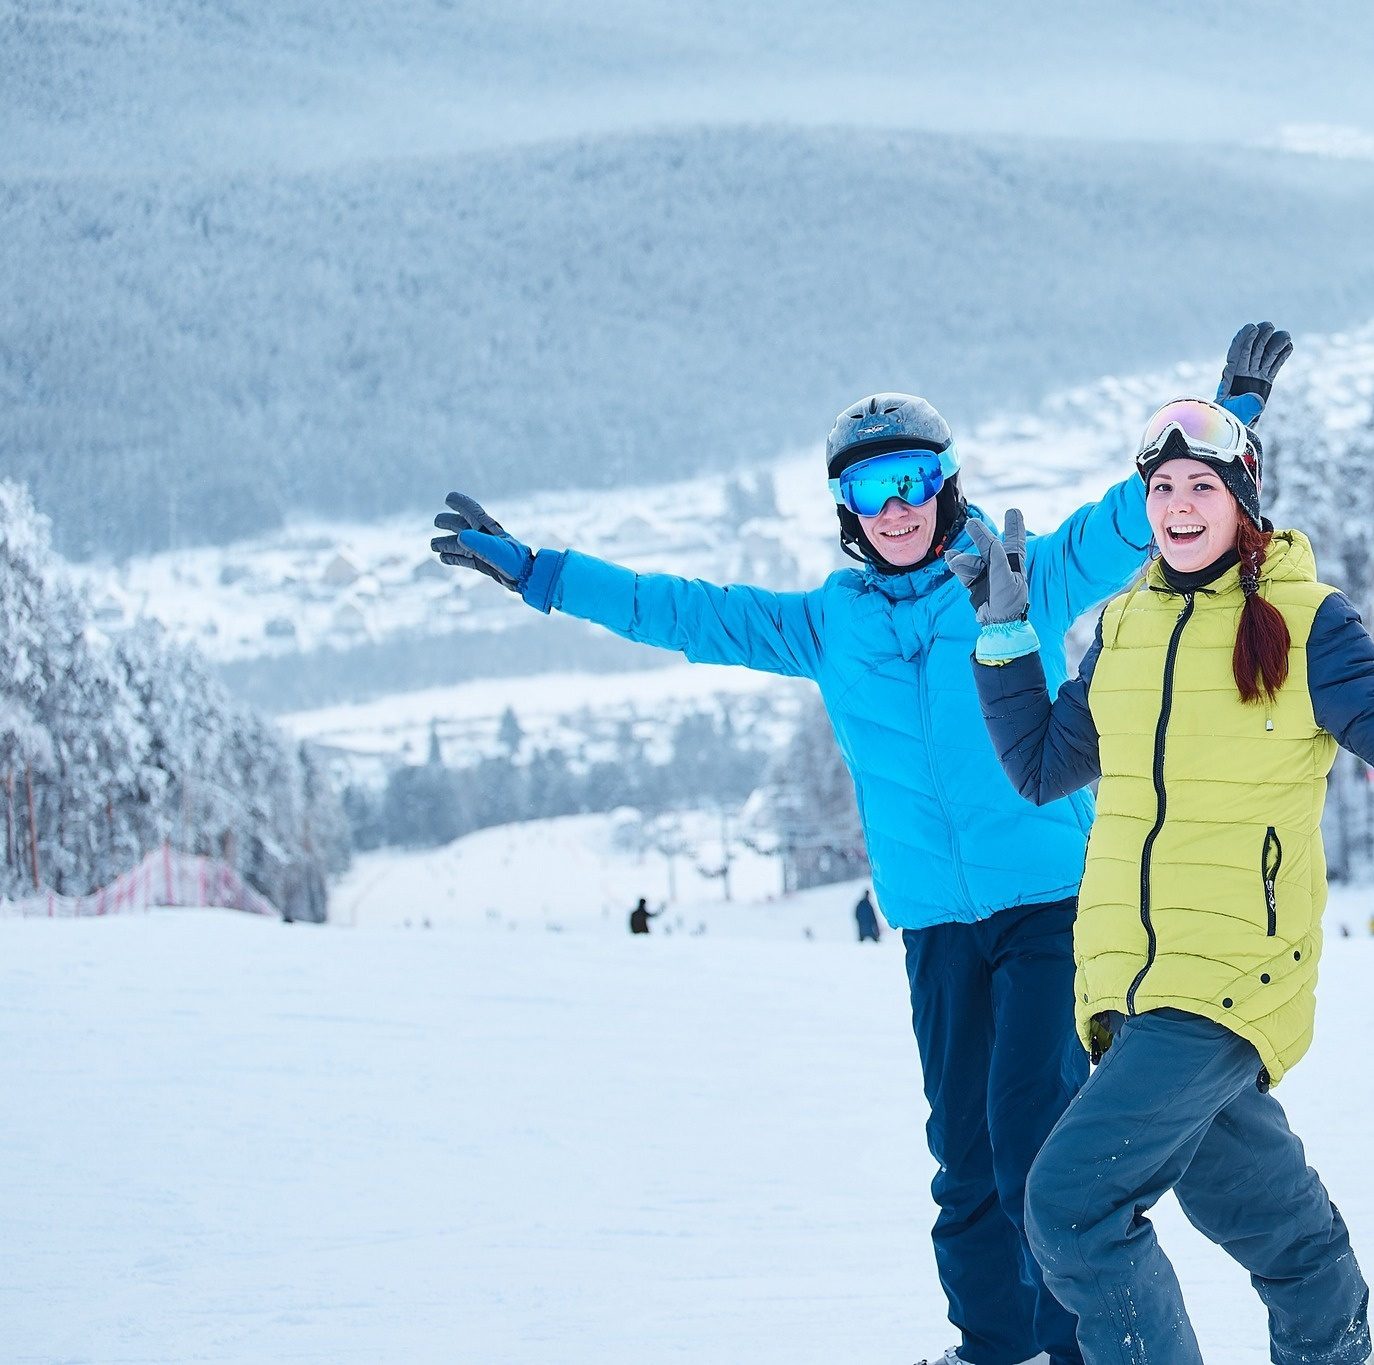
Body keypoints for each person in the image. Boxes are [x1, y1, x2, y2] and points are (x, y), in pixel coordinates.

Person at [428, 325, 1291, 1365]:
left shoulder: (1017, 579)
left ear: (947, 486)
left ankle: (1078, 1348)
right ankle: (992, 1345)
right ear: (847, 510)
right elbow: (680, 612)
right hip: (934, 925)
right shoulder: (824, 626)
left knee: (1032, 1144)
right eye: (872, 488)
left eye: (914, 480)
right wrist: (536, 573)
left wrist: (1225, 415)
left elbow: (1129, 517)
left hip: (1049, 907)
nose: (895, 508)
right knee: (962, 1159)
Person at [950, 394, 1374, 1365]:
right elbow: (1039, 766)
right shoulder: (1122, 627)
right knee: (1286, 1239)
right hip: (1128, 994)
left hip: (1227, 975)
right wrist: (1003, 634)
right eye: (1162, 487)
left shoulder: (1305, 620)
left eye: (1202, 484)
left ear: (1243, 499)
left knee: (1070, 1207)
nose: (1179, 505)